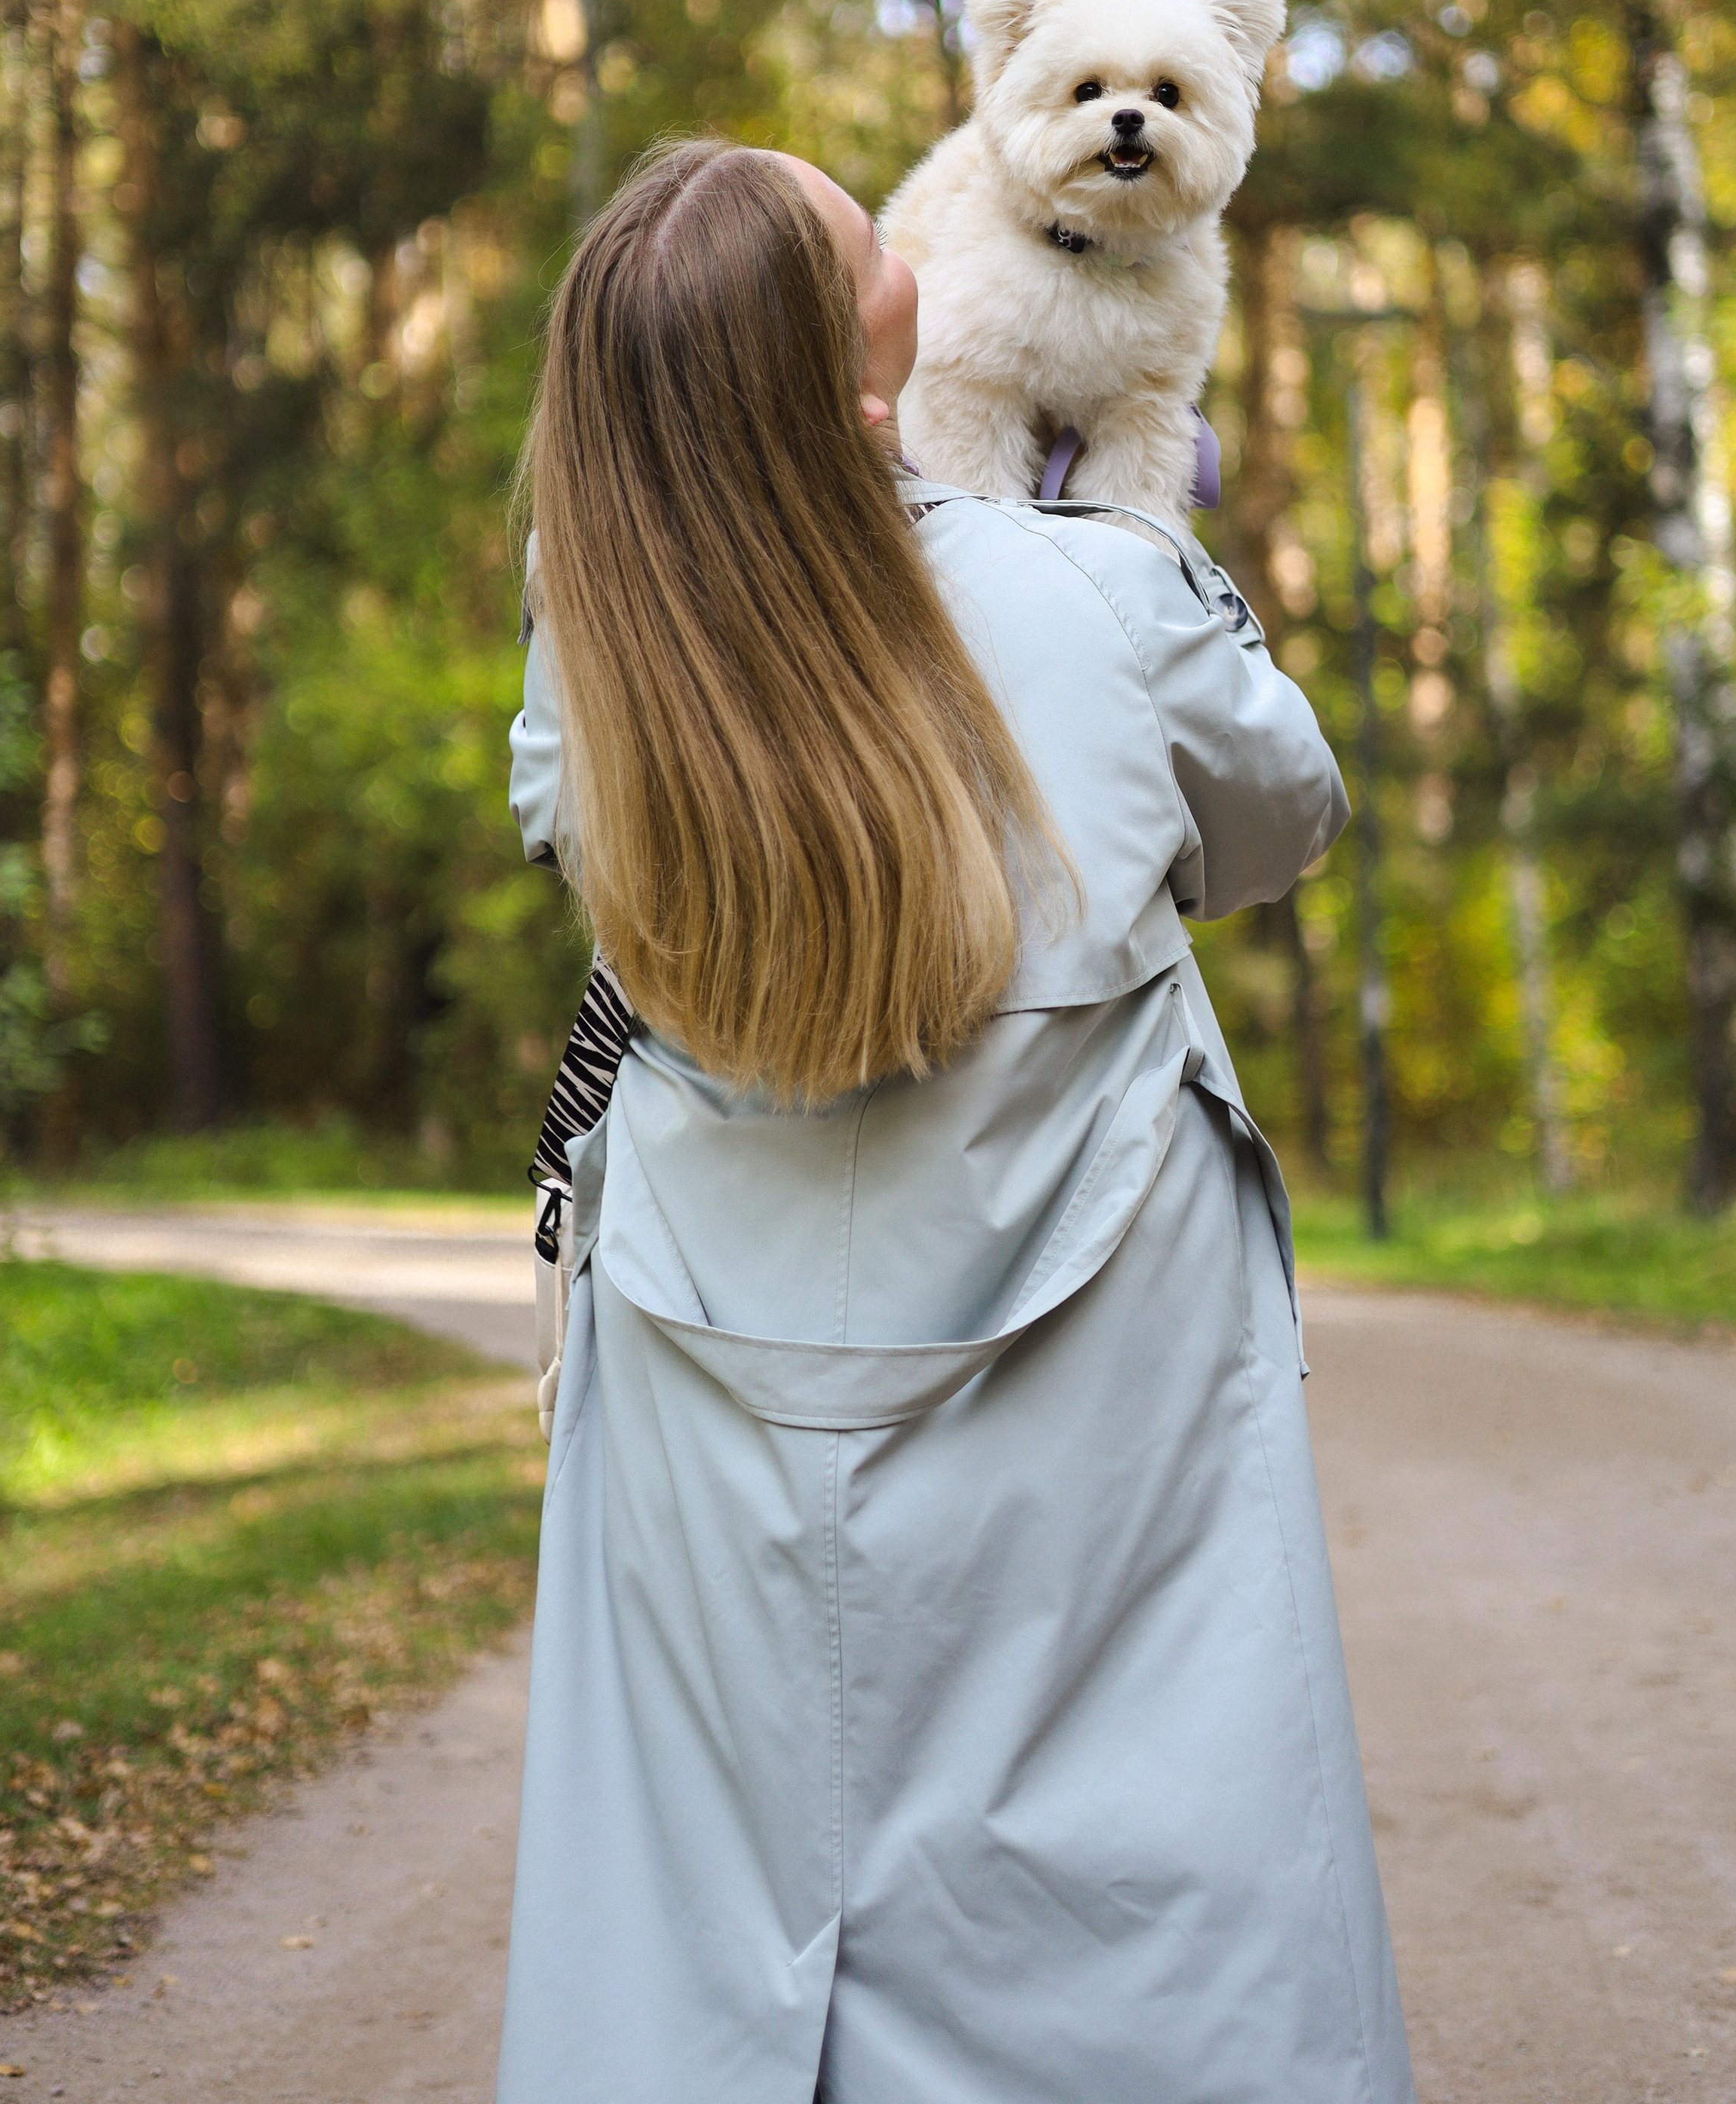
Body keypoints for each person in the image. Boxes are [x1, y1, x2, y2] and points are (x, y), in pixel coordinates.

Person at [496, 136, 1415, 2104]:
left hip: (709, 1378)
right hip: (1094, 1386)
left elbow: (581, 836)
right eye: (873, 243)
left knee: (713, 1877)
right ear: (855, 369)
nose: (916, 241)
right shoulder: (1109, 598)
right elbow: (1280, 823)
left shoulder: (596, 650)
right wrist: (1113, 557)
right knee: (1146, 1833)